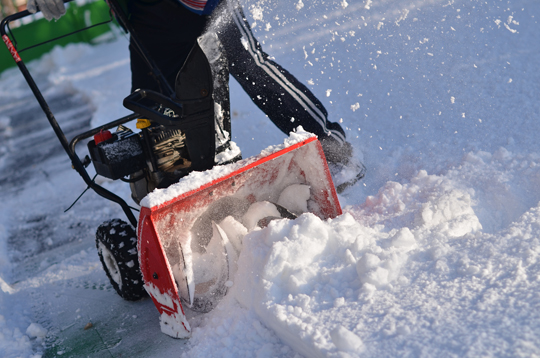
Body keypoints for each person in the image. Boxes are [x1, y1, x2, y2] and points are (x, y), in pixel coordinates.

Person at [27, 0, 365, 191]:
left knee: (250, 65)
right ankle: (182, 192)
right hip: (148, 14)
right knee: (159, 105)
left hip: (201, 4)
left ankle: (329, 144)